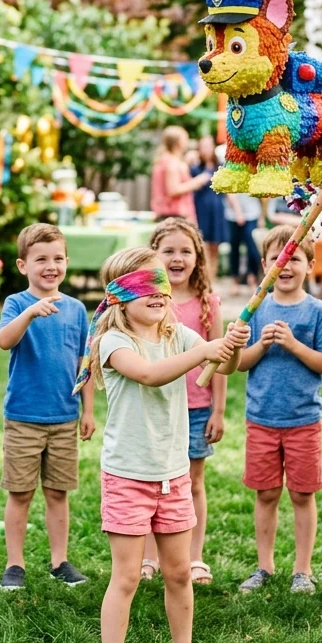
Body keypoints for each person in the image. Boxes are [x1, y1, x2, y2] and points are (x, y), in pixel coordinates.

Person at [74, 247, 249, 643]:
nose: (156, 292)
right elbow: (150, 375)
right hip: (129, 476)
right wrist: (207, 350)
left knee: (179, 572)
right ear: (118, 296)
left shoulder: (179, 334)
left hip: (172, 476)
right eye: (142, 284)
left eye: (159, 283)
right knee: (128, 576)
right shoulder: (114, 343)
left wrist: (231, 345)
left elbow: (224, 365)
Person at [236, 226, 322, 594]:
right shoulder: (255, 308)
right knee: (265, 494)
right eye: (279, 260)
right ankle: (264, 566)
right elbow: (239, 363)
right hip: (261, 419)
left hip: (302, 420)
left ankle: (302, 570)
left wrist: (294, 345)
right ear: (265, 265)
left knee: (301, 494)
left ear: (310, 265)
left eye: (294, 258)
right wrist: (260, 346)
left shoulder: (317, 312)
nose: (286, 266)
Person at [0, 224, 95, 591]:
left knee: (57, 492)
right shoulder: (17, 304)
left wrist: (87, 410)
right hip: (23, 416)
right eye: (41, 259)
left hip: (64, 417)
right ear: (23, 265)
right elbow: (4, 340)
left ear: (67, 262)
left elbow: (86, 363)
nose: (50, 266)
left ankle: (59, 561)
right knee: (20, 493)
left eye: (57, 258)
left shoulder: (77, 309)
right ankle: (15, 564)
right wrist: (31, 314)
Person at [142, 218, 226, 586]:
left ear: (198, 258)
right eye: (168, 251)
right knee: (148, 482)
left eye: (185, 251)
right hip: (155, 407)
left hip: (196, 408)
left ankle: (193, 557)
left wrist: (219, 410)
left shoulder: (208, 303)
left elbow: (220, 359)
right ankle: (148, 557)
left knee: (192, 482)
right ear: (153, 256)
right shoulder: (147, 301)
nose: (177, 258)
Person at [150, 126, 210, 221]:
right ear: (179, 142)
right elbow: (173, 190)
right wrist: (198, 181)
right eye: (186, 139)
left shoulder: (164, 160)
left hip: (167, 213)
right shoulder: (171, 163)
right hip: (175, 214)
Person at [188, 134, 225, 279]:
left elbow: (227, 193)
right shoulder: (194, 167)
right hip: (200, 209)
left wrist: (237, 211)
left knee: (215, 247)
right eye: (203, 146)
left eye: (209, 146)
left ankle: (212, 281)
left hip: (217, 209)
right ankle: (202, 280)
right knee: (201, 245)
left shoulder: (220, 166)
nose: (206, 149)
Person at [225, 193, 262, 294]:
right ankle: (235, 281)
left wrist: (261, 217)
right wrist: (238, 212)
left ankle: (252, 280)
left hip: (252, 214)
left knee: (252, 249)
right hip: (233, 215)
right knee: (234, 248)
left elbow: (261, 196)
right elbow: (229, 193)